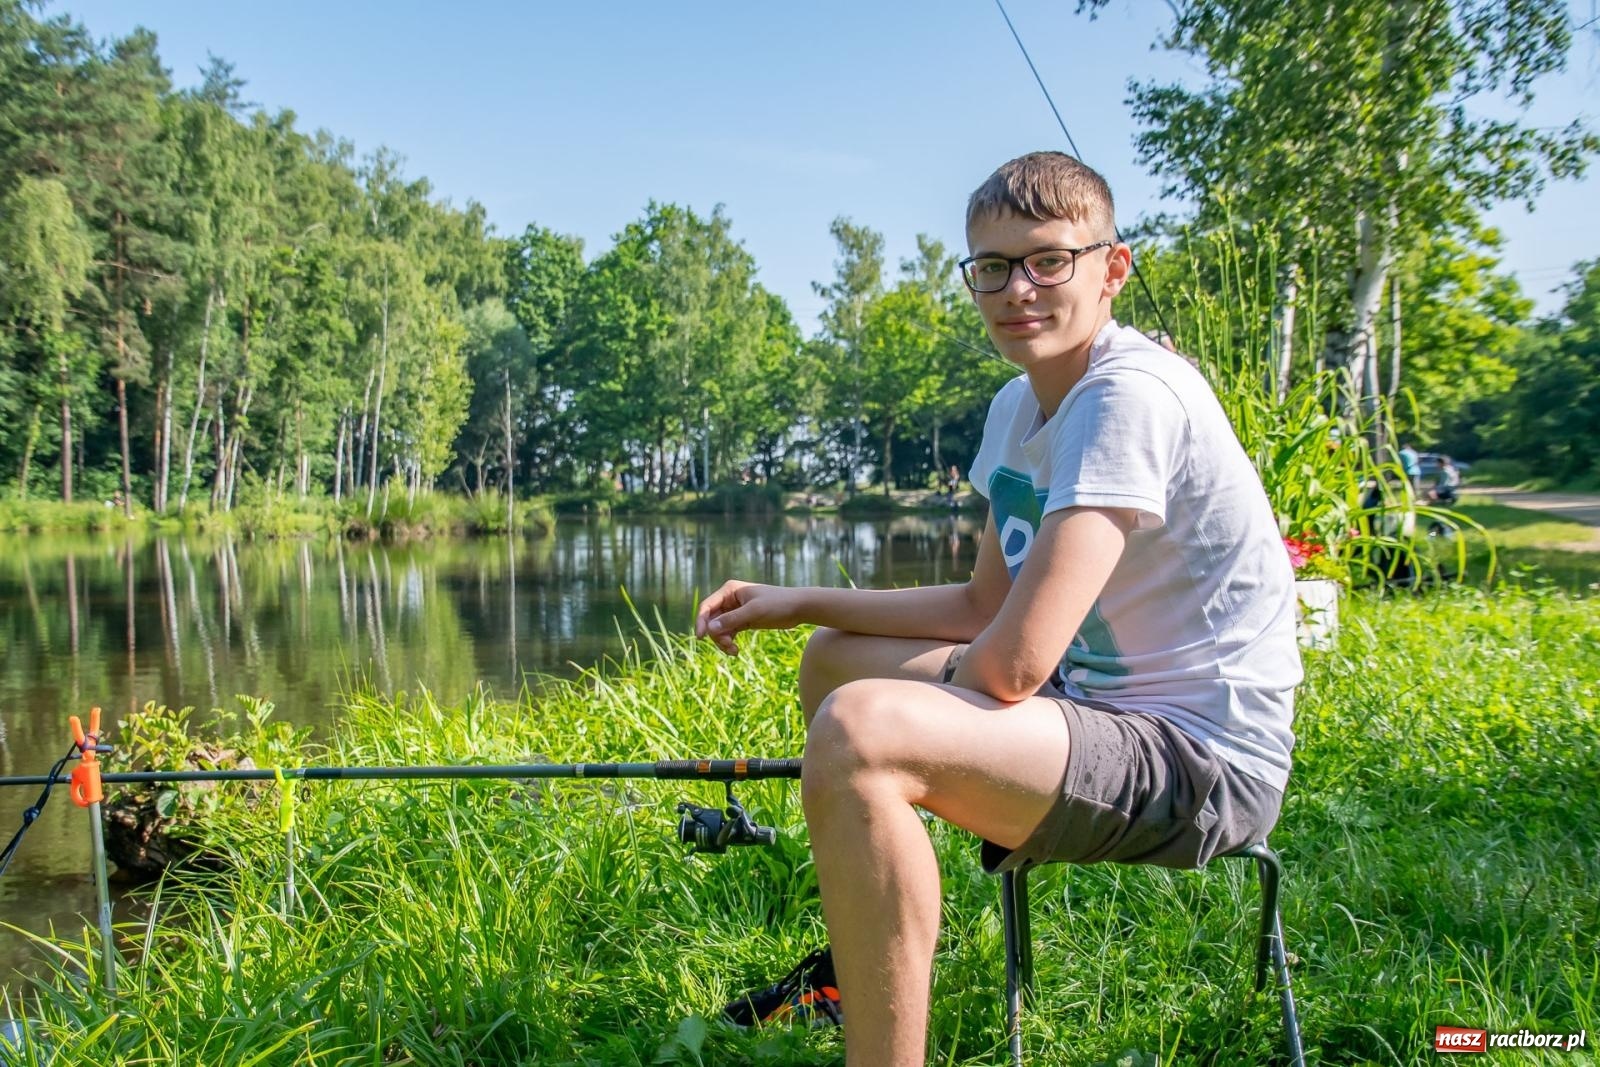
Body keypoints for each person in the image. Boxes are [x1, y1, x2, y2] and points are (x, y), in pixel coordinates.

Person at [694, 151, 1301, 1066]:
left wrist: (918, 709)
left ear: (1112, 268)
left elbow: (1013, 663)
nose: (1019, 288)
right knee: (833, 660)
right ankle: (859, 960)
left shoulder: (1126, 396)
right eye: (993, 266)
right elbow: (985, 601)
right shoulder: (1019, 404)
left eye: (1050, 260)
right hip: (1098, 712)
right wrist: (800, 602)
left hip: (1199, 760)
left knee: (860, 729)